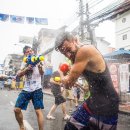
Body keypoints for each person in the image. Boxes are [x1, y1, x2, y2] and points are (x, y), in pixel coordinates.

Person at [54, 32, 119, 130]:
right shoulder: (77, 53)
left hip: (107, 105)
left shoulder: (84, 50)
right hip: (93, 102)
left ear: (75, 41)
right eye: (64, 53)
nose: (68, 55)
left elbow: (67, 83)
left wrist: (60, 72)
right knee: (70, 127)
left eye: (68, 49)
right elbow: (71, 81)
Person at [14, 46, 44, 130]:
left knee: (38, 111)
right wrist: (27, 68)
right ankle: (22, 126)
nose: (30, 52)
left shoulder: (38, 60)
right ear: (25, 54)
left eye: (31, 51)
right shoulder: (24, 63)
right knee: (16, 109)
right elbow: (19, 75)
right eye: (27, 51)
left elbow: (42, 73)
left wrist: (40, 66)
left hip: (37, 89)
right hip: (26, 89)